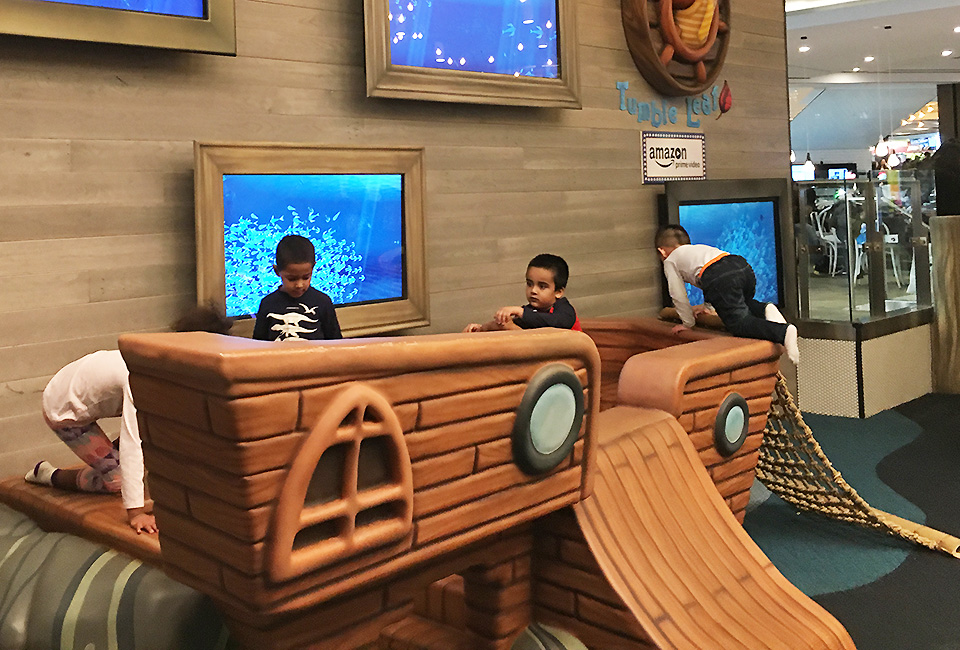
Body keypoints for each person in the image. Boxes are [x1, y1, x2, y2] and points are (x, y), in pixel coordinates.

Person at [24, 304, 234, 534]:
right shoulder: (144, 378)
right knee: (116, 480)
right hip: (62, 408)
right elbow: (133, 442)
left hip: (76, 382)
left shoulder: (162, 360)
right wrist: (136, 512)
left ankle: (111, 455)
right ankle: (47, 475)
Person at [656, 224, 799, 364]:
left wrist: (688, 324)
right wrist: (708, 307)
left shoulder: (670, 260)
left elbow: (678, 295)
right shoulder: (696, 249)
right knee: (742, 304)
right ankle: (765, 308)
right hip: (741, 266)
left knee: (739, 323)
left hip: (722, 277)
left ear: (662, 252)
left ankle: (783, 332)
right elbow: (708, 276)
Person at [253, 234, 342, 341]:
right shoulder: (268, 303)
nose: (299, 285)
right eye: (292, 279)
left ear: (313, 268)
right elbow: (258, 344)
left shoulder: (323, 301)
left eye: (306, 277)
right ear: (277, 271)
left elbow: (336, 342)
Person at [464, 253, 581, 332]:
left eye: (542, 286)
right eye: (529, 284)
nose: (533, 291)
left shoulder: (565, 310)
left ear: (558, 292)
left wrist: (521, 312)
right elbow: (514, 324)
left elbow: (556, 323)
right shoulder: (530, 311)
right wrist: (482, 328)